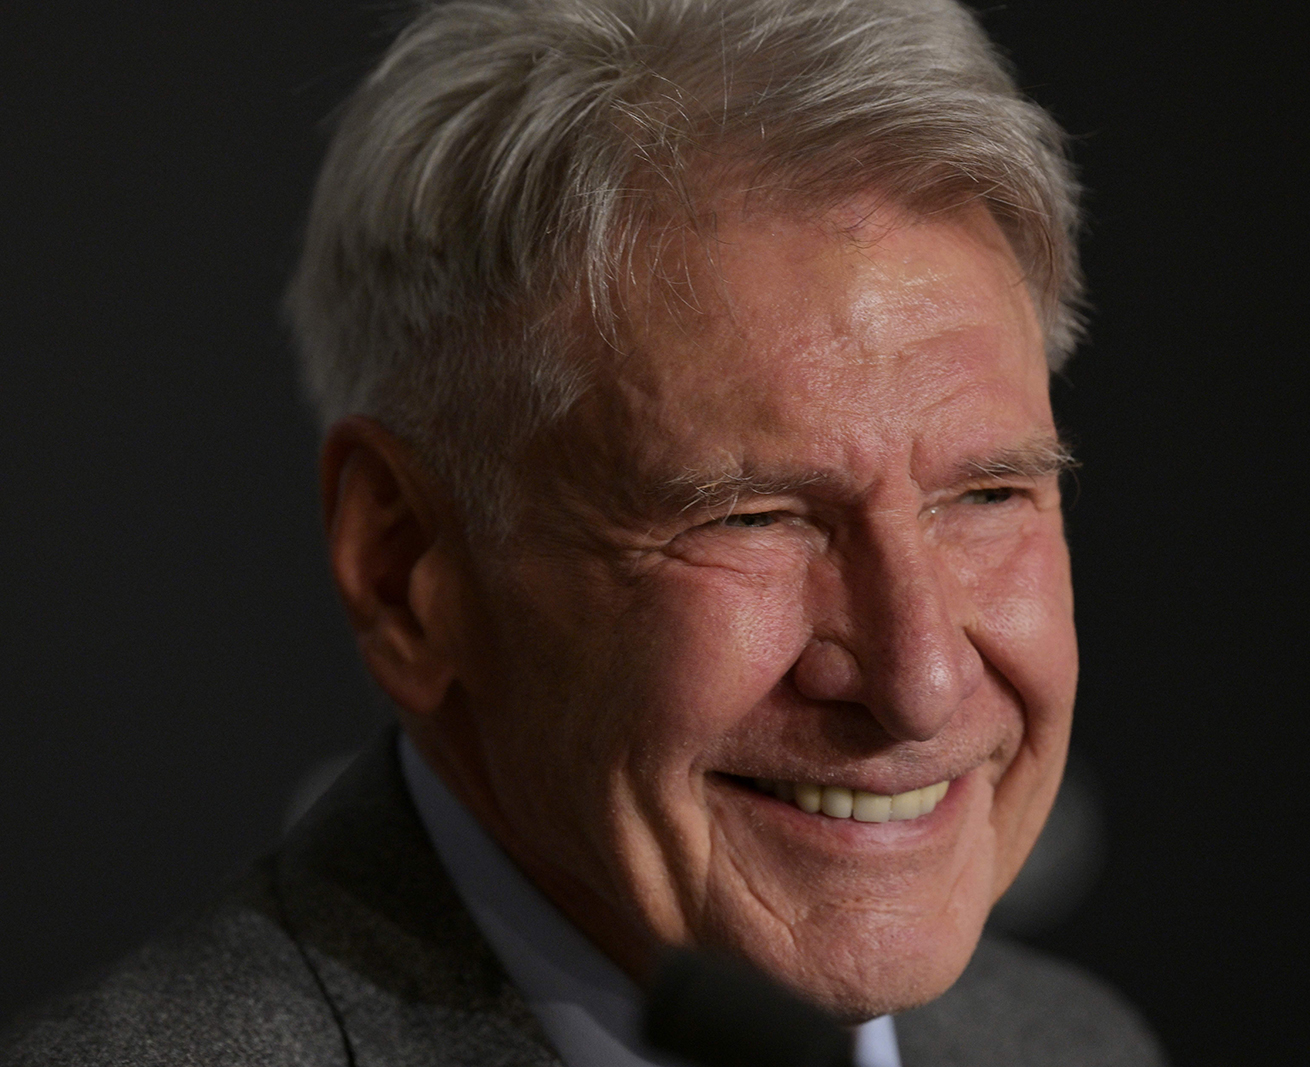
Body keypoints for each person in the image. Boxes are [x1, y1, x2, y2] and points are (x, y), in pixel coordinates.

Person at [1, 1, 1166, 1064]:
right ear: (408, 571)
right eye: (754, 515)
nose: (920, 681)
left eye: (987, 494)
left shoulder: (1072, 1044)